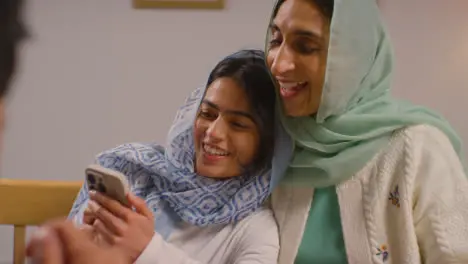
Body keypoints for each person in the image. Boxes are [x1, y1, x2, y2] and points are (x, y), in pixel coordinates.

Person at [265, 0, 468, 263]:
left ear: (352, 56)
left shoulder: (417, 149)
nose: (278, 65)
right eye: (276, 40)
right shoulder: (273, 143)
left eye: (305, 47)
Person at [67, 49, 279, 264]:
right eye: (207, 114)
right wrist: (85, 247)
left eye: (238, 124)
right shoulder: (138, 173)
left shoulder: (255, 229)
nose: (213, 132)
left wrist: (146, 249)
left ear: (267, 141)